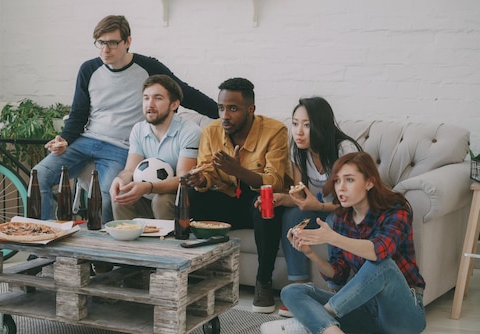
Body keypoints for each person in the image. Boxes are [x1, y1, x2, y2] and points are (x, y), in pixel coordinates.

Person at [34, 15, 218, 223]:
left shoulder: (147, 67)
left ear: (127, 42)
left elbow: (183, 92)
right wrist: (64, 139)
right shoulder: (88, 69)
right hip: (86, 141)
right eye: (101, 43)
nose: (106, 49)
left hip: (120, 147)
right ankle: (42, 245)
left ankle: (105, 253)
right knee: (38, 176)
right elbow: (78, 114)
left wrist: (222, 113)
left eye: (112, 42)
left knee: (107, 198)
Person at [260, 152, 426, 334]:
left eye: (349, 180)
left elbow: (379, 251)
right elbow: (338, 274)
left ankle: (310, 322)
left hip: (402, 316)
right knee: (292, 291)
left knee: (382, 265)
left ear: (369, 183)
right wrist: (309, 253)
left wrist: (332, 238)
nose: (341, 188)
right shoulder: (341, 218)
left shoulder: (396, 211)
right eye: (337, 181)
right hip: (363, 309)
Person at [185, 77, 292, 313]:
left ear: (251, 109)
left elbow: (274, 182)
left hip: (260, 200)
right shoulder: (211, 131)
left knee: (265, 204)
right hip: (229, 200)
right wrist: (201, 179)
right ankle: (196, 275)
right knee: (193, 196)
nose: (225, 115)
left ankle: (263, 283)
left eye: (233, 109)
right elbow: (208, 171)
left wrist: (239, 171)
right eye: (221, 108)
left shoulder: (276, 131)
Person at [274, 97, 362, 318]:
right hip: (322, 205)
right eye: (295, 124)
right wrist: (283, 199)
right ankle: (300, 287)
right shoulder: (298, 151)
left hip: (348, 210)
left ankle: (337, 291)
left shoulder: (344, 148)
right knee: (292, 215)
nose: (299, 131)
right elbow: (300, 194)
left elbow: (354, 201)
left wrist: (319, 206)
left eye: (307, 124)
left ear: (321, 125)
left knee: (333, 223)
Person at [110, 74, 201, 220]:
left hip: (179, 199)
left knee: (162, 201)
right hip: (147, 195)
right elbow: (129, 170)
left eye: (158, 98)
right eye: (146, 98)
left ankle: (168, 242)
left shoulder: (190, 131)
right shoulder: (139, 129)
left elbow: (183, 179)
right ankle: (127, 240)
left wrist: (149, 187)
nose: (150, 105)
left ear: (174, 104)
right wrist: (120, 179)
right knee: (122, 197)